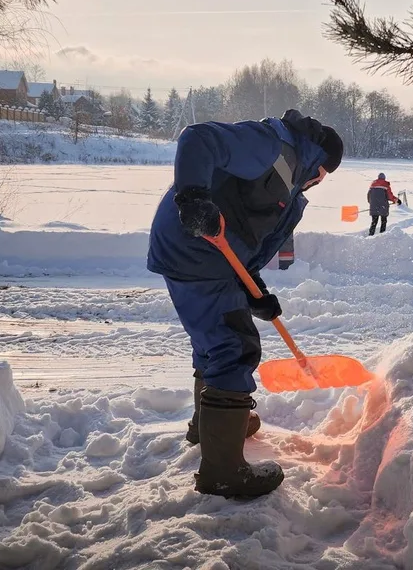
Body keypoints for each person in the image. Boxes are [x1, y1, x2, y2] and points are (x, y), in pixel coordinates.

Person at [147, 109, 343, 499]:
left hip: (205, 257)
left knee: (213, 340)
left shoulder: (291, 185)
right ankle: (223, 472)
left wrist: (256, 291)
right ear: (319, 160)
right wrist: (194, 197)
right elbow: (198, 138)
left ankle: (210, 426)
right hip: (197, 250)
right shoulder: (274, 144)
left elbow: (248, 242)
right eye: (325, 173)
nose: (321, 181)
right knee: (233, 348)